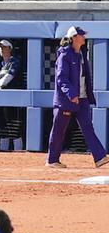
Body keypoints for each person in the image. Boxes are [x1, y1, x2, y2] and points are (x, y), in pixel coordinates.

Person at [45, 24, 105, 168]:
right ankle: (52, 160)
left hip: (82, 99)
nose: (84, 37)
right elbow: (61, 78)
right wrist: (71, 94)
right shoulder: (65, 54)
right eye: (82, 35)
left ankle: (100, 157)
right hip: (66, 100)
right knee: (59, 130)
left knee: (88, 128)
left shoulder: (82, 54)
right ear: (74, 38)